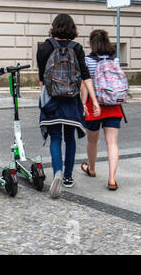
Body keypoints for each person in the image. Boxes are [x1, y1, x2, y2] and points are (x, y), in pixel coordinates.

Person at [37, 13, 101, 199]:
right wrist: (93, 101)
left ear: (54, 26)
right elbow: (85, 76)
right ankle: (67, 177)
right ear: (72, 28)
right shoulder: (77, 48)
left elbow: (42, 78)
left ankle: (57, 171)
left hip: (51, 99)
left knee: (55, 137)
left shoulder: (44, 47)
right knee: (70, 138)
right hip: (72, 100)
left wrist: (42, 101)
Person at [80, 30, 123, 190]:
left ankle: (91, 169)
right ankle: (112, 179)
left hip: (94, 106)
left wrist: (83, 103)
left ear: (92, 44)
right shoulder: (115, 60)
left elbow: (85, 84)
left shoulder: (88, 61)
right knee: (112, 143)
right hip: (113, 105)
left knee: (92, 141)